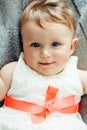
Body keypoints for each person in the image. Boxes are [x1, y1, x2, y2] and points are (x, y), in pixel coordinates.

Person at [0, 0, 87, 129]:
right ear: (23, 44)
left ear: (71, 46)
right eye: (35, 45)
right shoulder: (13, 70)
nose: (45, 53)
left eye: (55, 44)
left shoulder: (78, 76)